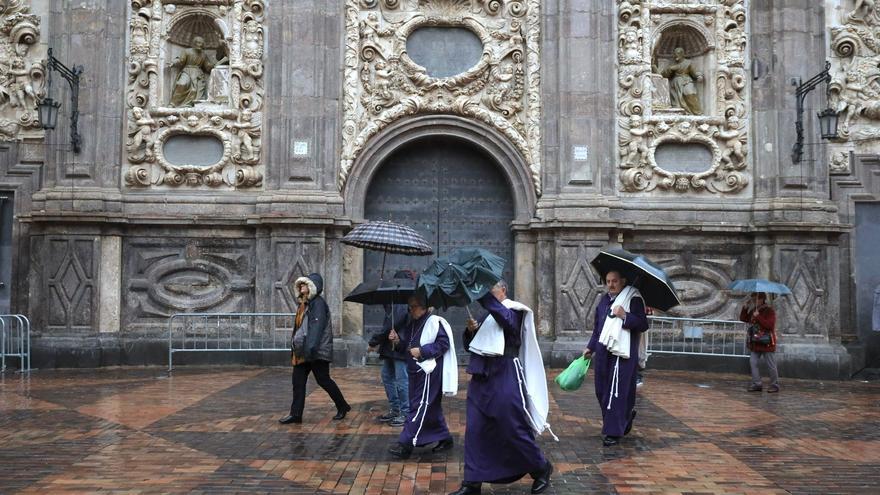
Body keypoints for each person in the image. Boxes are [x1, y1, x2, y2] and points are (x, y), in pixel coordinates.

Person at [449, 280, 554, 495]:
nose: (487, 293)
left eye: (490, 289)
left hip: (505, 373)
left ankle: (541, 467)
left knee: (512, 426)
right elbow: (471, 346)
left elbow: (508, 323)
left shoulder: (515, 310)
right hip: (480, 375)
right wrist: (470, 332)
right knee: (475, 429)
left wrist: (480, 293)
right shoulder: (486, 315)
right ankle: (472, 481)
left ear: (503, 289)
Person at [583, 270, 649, 447]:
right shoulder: (604, 300)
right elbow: (598, 327)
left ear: (623, 281)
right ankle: (624, 419)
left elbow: (642, 324)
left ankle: (613, 431)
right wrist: (591, 346)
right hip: (604, 349)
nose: (611, 284)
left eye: (615, 281)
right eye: (608, 281)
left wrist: (625, 316)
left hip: (623, 352)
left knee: (616, 392)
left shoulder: (633, 298)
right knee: (601, 390)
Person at [388, 293, 458, 459]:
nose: (410, 310)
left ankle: (405, 444)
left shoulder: (434, 322)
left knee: (420, 406)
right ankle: (444, 437)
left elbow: (443, 344)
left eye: (414, 307)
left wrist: (423, 351)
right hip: (415, 371)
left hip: (429, 372)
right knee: (429, 407)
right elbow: (409, 346)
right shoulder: (413, 323)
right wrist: (397, 341)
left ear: (424, 307)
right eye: (409, 307)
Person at [279, 273, 351, 424]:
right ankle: (296, 414)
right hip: (302, 351)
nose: (301, 286)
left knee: (323, 380)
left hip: (315, 351)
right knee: (298, 382)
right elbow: (299, 328)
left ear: (312, 287)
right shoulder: (304, 304)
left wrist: (310, 349)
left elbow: (315, 329)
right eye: (300, 285)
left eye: (304, 284)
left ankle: (342, 406)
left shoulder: (318, 303)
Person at [368, 271, 413, 427]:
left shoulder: (404, 300)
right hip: (390, 347)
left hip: (399, 345)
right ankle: (395, 409)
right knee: (388, 377)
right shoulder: (395, 298)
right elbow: (390, 315)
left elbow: (393, 322)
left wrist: (374, 341)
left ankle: (405, 412)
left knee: (401, 380)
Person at [739, 292, 779, 393]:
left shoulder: (769, 311)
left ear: (761, 299)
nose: (753, 301)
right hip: (756, 342)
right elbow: (744, 318)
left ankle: (774, 385)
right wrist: (745, 307)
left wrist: (758, 317)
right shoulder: (754, 310)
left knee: (771, 365)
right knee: (753, 362)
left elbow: (769, 325)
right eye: (752, 299)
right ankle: (757, 384)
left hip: (767, 342)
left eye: (755, 299)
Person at [169, 36, 215, 107]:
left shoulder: (203, 54)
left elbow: (207, 66)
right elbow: (181, 61)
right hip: (187, 71)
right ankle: (173, 103)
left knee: (194, 90)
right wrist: (173, 63)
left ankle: (192, 105)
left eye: (201, 43)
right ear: (194, 43)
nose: (200, 45)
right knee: (181, 84)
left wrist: (215, 65)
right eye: (198, 43)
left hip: (198, 74)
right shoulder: (187, 51)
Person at [656, 47, 703, 115]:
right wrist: (670, 69)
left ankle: (697, 112)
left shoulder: (688, 63)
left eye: (677, 53)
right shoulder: (672, 64)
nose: (676, 55)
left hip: (687, 80)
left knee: (690, 93)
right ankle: (683, 112)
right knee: (676, 98)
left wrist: (699, 76)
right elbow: (665, 75)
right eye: (675, 54)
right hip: (676, 83)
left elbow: (694, 72)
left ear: (682, 54)